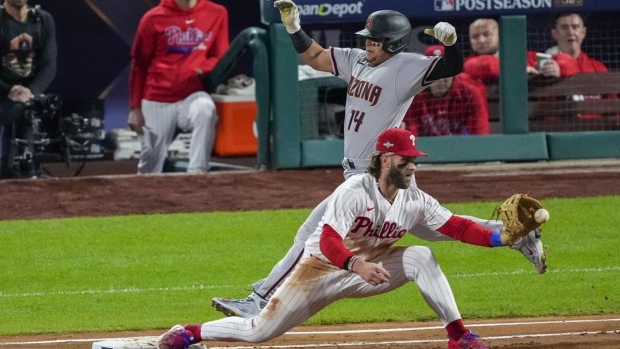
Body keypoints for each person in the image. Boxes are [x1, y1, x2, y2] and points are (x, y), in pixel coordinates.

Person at [212, 0, 546, 319]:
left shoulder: (406, 67)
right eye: (368, 39)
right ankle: (515, 233)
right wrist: (294, 28)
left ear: (394, 43)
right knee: (433, 228)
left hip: (374, 176)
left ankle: (260, 300)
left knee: (310, 233)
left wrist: (451, 45)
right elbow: (314, 57)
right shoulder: (357, 59)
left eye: (375, 40)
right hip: (373, 175)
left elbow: (451, 65)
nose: (368, 44)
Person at [156, 128, 531, 349]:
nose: (412, 165)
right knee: (259, 332)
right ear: (385, 160)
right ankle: (190, 333)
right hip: (319, 271)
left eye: (414, 159)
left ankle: (459, 336)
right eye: (405, 159)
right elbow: (330, 239)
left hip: (368, 270)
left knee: (420, 255)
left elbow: (458, 228)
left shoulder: (416, 199)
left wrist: (503, 239)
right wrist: (357, 264)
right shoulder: (355, 190)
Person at [128, 0, 228, 174]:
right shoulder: (152, 18)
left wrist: (202, 69)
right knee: (150, 163)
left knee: (206, 110)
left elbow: (220, 55)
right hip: (157, 97)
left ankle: (197, 174)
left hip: (191, 93)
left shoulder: (217, 12)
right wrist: (135, 108)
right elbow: (140, 65)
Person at [0, 0, 57, 179]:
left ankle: (28, 172)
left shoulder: (43, 20)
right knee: (17, 112)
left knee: (28, 110)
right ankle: (14, 173)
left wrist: (31, 92)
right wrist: (9, 90)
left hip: (28, 95)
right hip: (2, 91)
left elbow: (49, 65)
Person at [403, 45, 489, 136]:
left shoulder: (468, 94)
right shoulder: (414, 96)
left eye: (445, 71)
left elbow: (479, 135)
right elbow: (411, 136)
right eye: (435, 71)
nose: (441, 79)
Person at [464, 18, 575, 84]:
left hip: (535, 115)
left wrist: (558, 67)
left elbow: (569, 60)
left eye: (487, 34)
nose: (481, 40)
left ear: (500, 36)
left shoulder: (525, 57)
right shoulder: (468, 64)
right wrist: (519, 71)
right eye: (475, 36)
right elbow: (487, 65)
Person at [541, 13, 607, 77]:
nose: (570, 32)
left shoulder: (598, 69)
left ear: (583, 32)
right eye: (564, 28)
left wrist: (561, 70)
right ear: (554, 33)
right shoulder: (543, 65)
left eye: (575, 27)